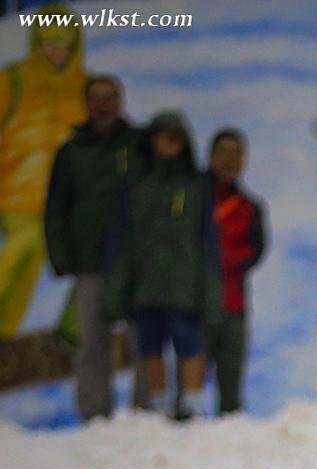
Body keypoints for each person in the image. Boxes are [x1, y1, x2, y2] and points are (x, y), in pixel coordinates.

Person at [43, 71, 149, 418]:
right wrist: (61, 256)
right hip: (89, 262)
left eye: (110, 97)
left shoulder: (140, 146)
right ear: (87, 104)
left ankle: (146, 416)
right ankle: (94, 417)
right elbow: (56, 208)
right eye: (97, 98)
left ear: (120, 102)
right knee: (91, 344)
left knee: (145, 341)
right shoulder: (71, 152)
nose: (103, 105)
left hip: (135, 263)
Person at [103, 110, 219, 422]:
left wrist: (210, 291)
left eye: (175, 136)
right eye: (162, 135)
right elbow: (122, 239)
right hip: (146, 278)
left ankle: (191, 401)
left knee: (188, 339)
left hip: (184, 278)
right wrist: (117, 288)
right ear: (150, 140)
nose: (168, 142)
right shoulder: (136, 185)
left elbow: (207, 239)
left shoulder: (196, 185)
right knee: (149, 341)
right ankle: (159, 399)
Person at [0, 3, 85, 339]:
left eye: (64, 43)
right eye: (49, 43)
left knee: (102, 250)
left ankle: (74, 330)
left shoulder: (88, 88)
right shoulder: (13, 82)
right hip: (20, 199)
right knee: (29, 244)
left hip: (69, 204)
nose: (56, 51)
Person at [206, 129, 265, 416]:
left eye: (236, 155)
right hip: (196, 305)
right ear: (211, 156)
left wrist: (226, 260)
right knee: (188, 383)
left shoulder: (249, 206)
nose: (229, 161)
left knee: (230, 387)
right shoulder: (193, 200)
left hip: (233, 303)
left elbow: (256, 250)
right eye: (224, 153)